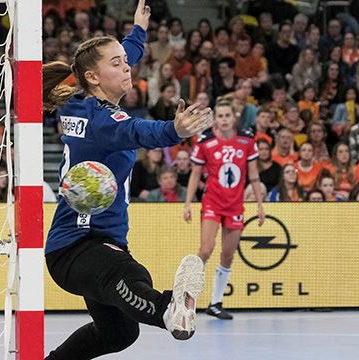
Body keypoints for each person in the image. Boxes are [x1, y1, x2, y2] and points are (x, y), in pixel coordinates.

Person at [43, 3, 213, 358]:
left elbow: (121, 56)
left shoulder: (79, 102)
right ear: (93, 76)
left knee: (119, 333)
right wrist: (173, 129)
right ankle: (169, 310)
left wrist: (137, 33)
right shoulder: (104, 121)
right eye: (117, 64)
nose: (127, 66)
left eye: (126, 61)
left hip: (96, 243)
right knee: (129, 273)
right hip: (77, 245)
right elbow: (137, 130)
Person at [184, 99, 266, 320]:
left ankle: (215, 302)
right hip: (212, 202)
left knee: (228, 255)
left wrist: (259, 205)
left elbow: (254, 175)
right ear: (215, 119)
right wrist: (188, 204)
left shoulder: (246, 140)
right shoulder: (205, 141)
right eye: (219, 116)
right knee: (205, 249)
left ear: (234, 117)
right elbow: (194, 174)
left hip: (235, 205)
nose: (224, 120)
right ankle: (186, 297)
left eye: (227, 115)